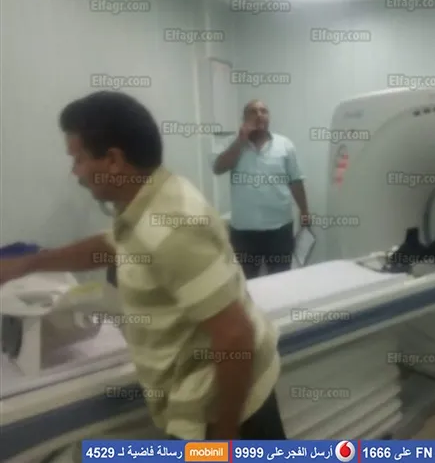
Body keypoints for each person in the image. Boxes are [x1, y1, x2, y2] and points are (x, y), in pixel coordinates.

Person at [0, 91, 286, 440]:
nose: (76, 173)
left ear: (113, 160)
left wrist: (224, 441)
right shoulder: (144, 201)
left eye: (78, 159)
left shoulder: (174, 224)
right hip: (197, 404)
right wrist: (27, 264)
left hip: (225, 413)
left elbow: (235, 335)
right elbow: (112, 245)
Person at [213, 99, 309, 279]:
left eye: (264, 111)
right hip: (244, 231)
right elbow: (218, 168)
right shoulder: (232, 143)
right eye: (253, 111)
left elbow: (295, 180)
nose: (259, 115)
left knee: (281, 280)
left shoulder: (285, 144)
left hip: (280, 229)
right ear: (244, 118)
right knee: (245, 282)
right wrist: (240, 141)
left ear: (268, 117)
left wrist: (304, 211)